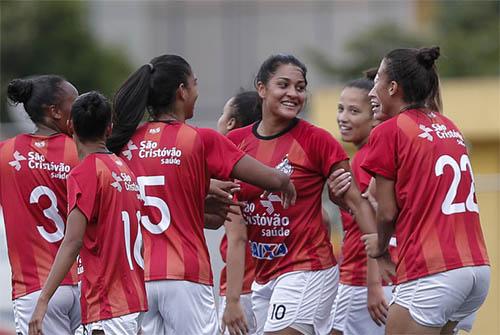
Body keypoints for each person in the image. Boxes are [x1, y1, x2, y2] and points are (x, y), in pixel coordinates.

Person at [106, 54, 296, 335]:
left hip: (138, 278)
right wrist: (286, 182)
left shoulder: (124, 142)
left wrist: (202, 194)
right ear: (182, 92)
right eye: (195, 84)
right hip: (185, 274)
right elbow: (269, 178)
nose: (197, 91)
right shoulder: (200, 139)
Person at [224, 54, 382, 335]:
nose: (293, 94)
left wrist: (377, 249)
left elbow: (355, 203)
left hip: (308, 268)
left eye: (300, 87)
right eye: (283, 85)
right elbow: (221, 215)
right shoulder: (236, 143)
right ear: (261, 88)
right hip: (264, 275)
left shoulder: (317, 140)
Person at [361, 46, 490, 335]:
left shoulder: (389, 130)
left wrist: (380, 249)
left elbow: (387, 212)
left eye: (377, 79)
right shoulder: (449, 125)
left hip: (433, 270)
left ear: (393, 87)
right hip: (477, 268)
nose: (371, 90)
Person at [29, 92, 148, 335]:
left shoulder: (85, 173)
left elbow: (73, 241)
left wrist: (42, 301)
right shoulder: (123, 169)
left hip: (107, 305)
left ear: (71, 126)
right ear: (109, 128)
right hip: (132, 299)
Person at [0, 75, 81, 335]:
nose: (80, 110)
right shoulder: (82, 154)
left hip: (34, 290)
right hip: (84, 287)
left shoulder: (5, 153)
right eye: (75, 103)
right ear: (54, 111)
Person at [330, 72, 398, 335]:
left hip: (361, 280)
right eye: (340, 109)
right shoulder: (374, 154)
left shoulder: (365, 160)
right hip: (379, 278)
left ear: (374, 118)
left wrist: (373, 286)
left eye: (354, 111)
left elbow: (375, 223)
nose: (343, 117)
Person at [216, 91, 262, 335]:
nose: (219, 121)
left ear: (232, 123)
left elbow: (237, 237)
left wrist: (232, 301)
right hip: (272, 284)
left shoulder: (232, 173)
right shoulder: (267, 168)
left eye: (222, 115)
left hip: (242, 288)